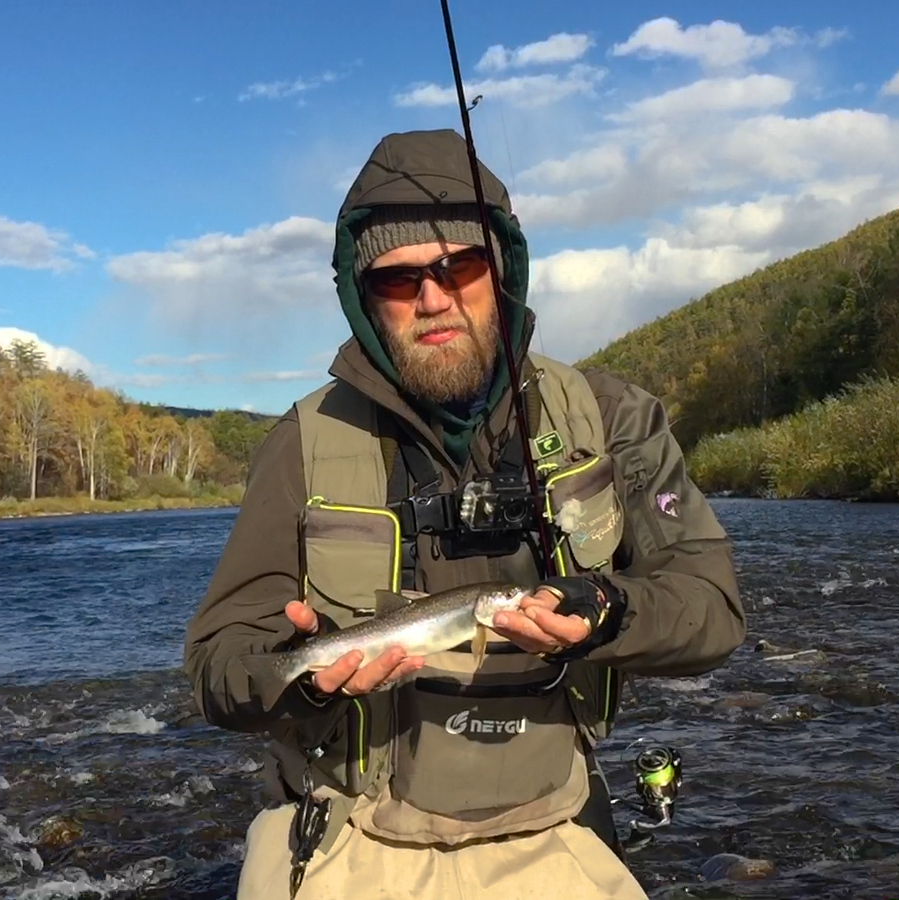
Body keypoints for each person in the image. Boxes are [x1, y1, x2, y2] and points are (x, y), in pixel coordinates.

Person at [182, 128, 745, 899]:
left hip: (555, 828)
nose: (433, 298)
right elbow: (219, 667)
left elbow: (711, 608)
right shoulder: (302, 443)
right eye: (397, 278)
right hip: (350, 831)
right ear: (361, 295)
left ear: (502, 268)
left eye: (461, 266)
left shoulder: (615, 418)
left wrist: (611, 611)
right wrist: (304, 679)